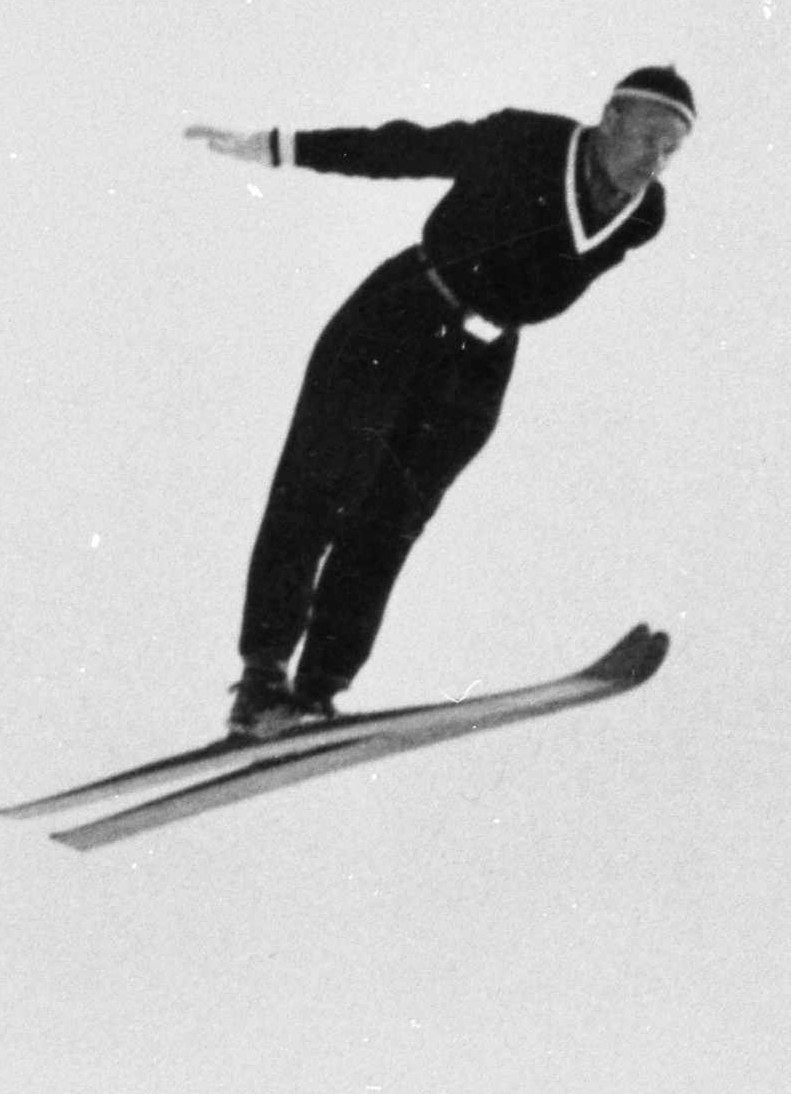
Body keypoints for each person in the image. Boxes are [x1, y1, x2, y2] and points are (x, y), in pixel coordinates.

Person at [180, 76, 694, 736]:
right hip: (398, 317)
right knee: (320, 489)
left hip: (477, 367)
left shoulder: (645, 214)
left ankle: (315, 692)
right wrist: (281, 147)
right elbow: (407, 150)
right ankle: (261, 682)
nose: (655, 158)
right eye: (648, 136)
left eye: (671, 148)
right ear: (611, 118)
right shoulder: (525, 141)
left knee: (391, 521)